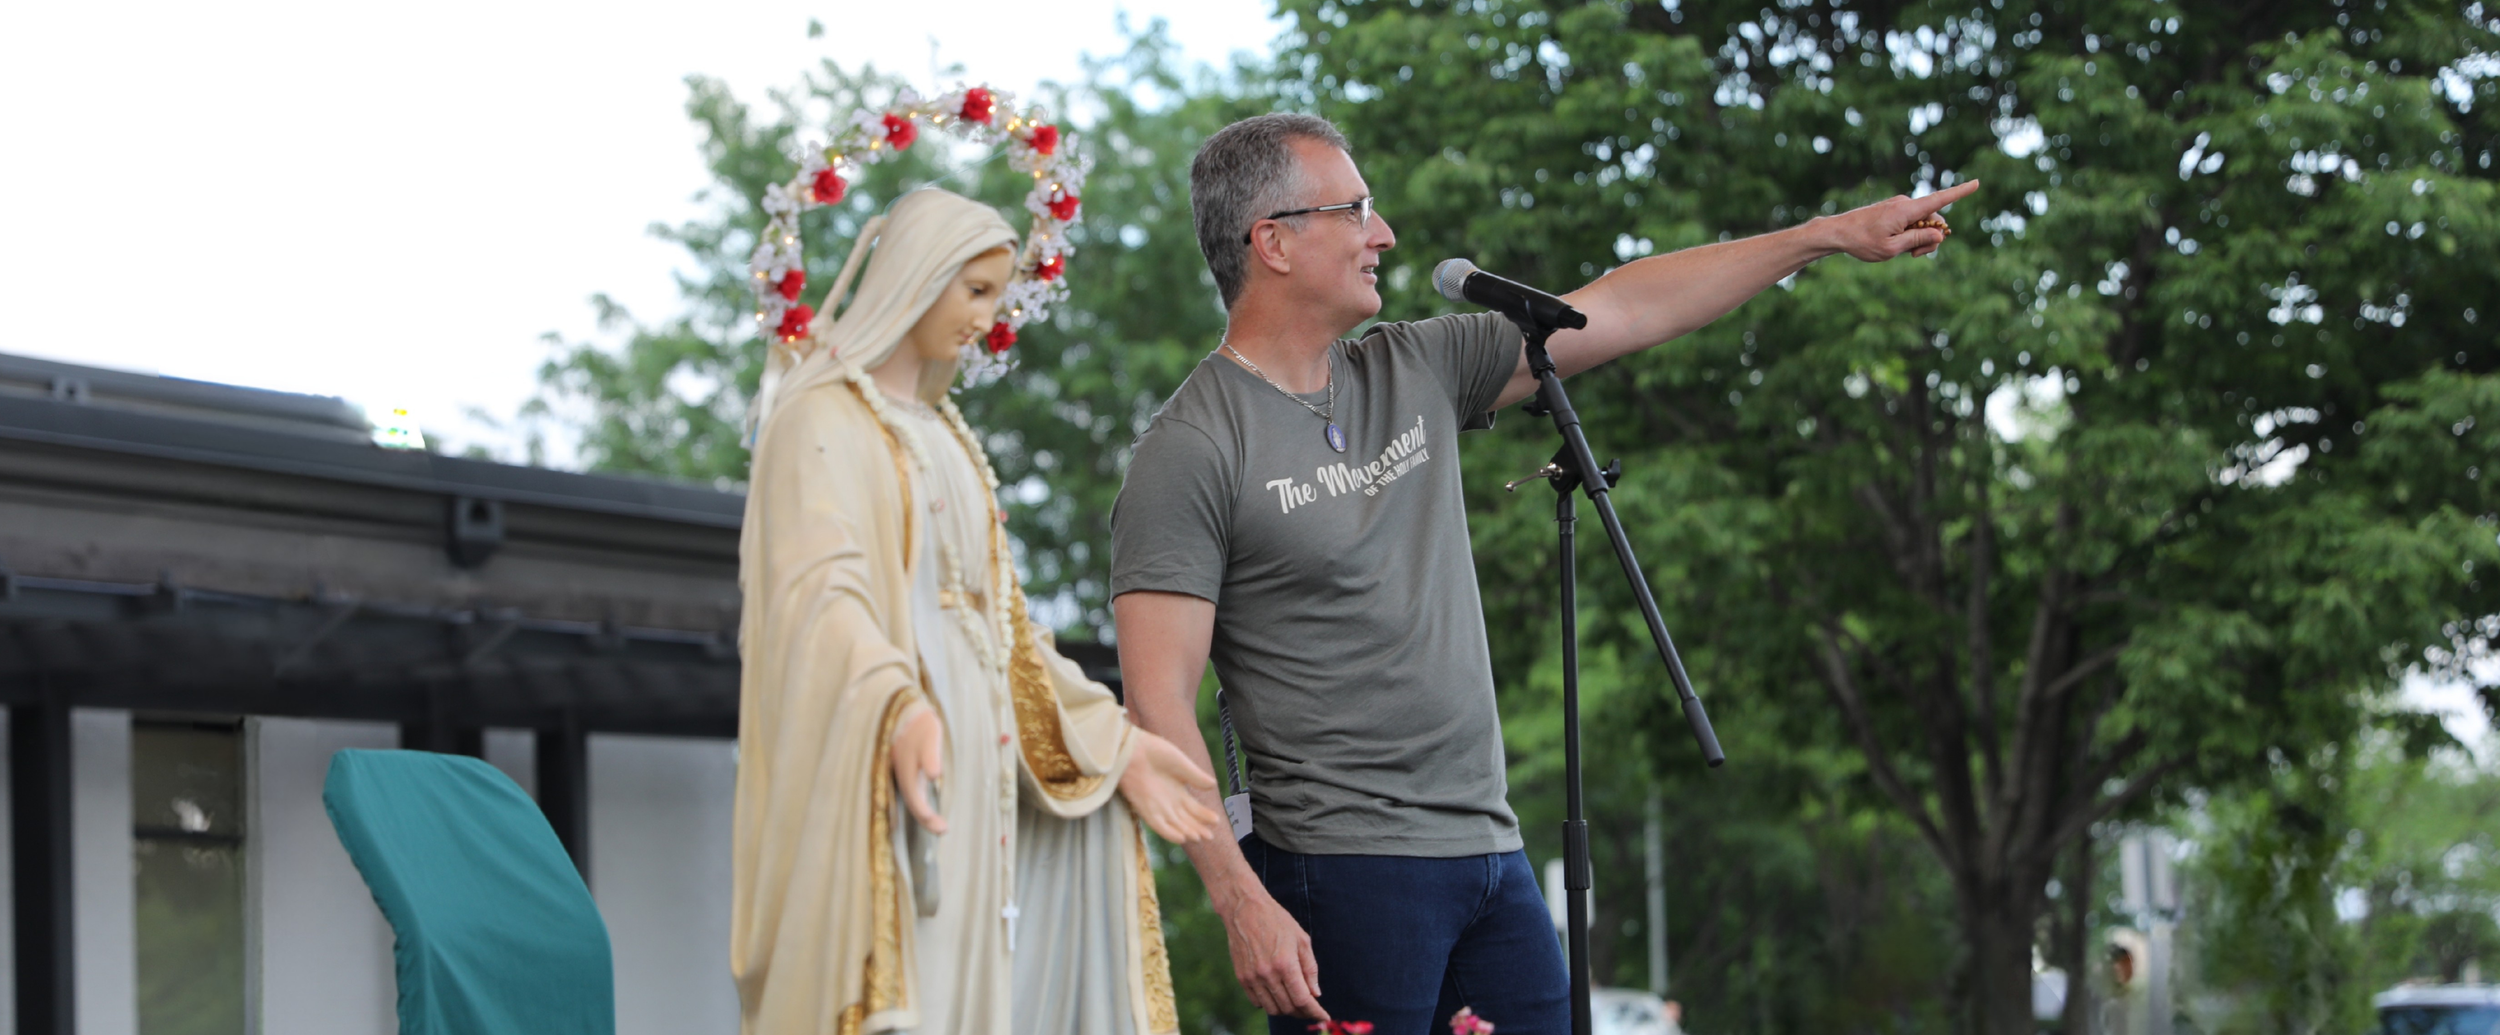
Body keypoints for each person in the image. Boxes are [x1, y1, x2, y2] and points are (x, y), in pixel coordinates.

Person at [1110, 113, 1975, 1035]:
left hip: (1490, 851)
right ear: (1273, 242)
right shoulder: (1190, 449)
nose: (1383, 233)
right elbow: (1158, 708)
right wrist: (1239, 898)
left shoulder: (1415, 365)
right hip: (1340, 868)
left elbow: (1626, 306)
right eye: (1353, 210)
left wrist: (1823, 237)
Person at [732, 187, 1226, 1035]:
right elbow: (819, 589)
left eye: (997, 294)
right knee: (915, 973)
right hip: (894, 747)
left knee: (981, 987)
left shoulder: (947, 432)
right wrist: (893, 703)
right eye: (976, 290)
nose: (988, 317)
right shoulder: (821, 416)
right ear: (917, 276)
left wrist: (1110, 744)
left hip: (983, 750)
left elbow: (1005, 625)